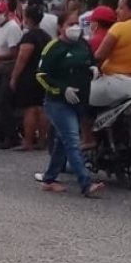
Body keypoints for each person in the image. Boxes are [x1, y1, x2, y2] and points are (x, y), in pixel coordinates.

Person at [35, 11, 105, 196]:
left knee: (62, 141)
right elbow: (41, 76)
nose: (74, 27)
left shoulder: (83, 44)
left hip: (81, 101)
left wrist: (94, 68)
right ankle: (85, 184)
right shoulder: (53, 48)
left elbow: (91, 61)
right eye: (69, 24)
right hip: (58, 104)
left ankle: (49, 178)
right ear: (60, 27)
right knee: (73, 141)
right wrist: (61, 89)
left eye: (76, 23)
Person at [11, 4, 52, 151]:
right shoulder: (46, 36)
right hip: (44, 75)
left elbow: (22, 59)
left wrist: (14, 77)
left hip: (29, 77)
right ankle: (42, 141)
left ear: (27, 18)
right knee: (42, 109)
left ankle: (27, 142)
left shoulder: (29, 37)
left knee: (30, 109)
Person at [0, 0, 25, 148]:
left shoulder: (11, 27)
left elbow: (14, 53)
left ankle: (12, 137)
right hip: (2, 70)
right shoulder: (1, 27)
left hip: (10, 71)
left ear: (5, 13)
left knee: (4, 102)